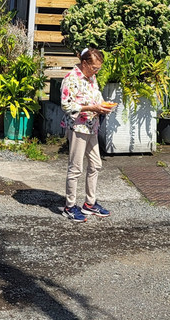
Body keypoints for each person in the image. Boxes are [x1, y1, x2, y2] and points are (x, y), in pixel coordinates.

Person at [60, 47, 115, 222]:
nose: (96, 71)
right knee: (75, 167)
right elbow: (66, 105)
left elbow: (96, 96)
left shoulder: (91, 77)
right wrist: (92, 108)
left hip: (92, 126)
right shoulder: (71, 79)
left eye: (98, 69)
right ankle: (69, 206)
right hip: (78, 127)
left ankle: (89, 203)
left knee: (96, 164)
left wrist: (103, 107)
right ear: (84, 63)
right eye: (94, 68)